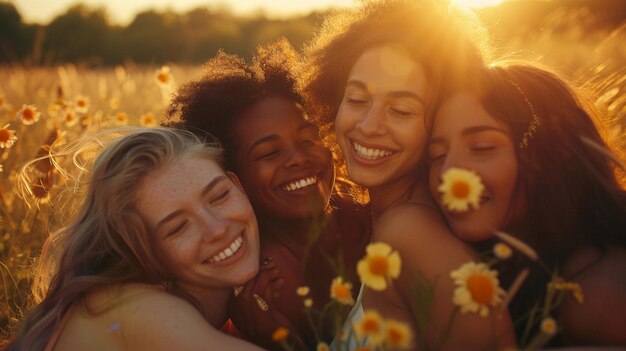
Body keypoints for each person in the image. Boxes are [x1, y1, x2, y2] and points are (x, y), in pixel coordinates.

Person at [304, 0, 516, 349]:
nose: (369, 126)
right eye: (357, 99)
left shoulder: (410, 232)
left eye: (401, 110)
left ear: (440, 123)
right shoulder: (391, 221)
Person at [165, 40, 371, 349]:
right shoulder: (267, 282)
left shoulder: (365, 208)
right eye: (269, 153)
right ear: (231, 177)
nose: (299, 158)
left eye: (307, 138)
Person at [3, 127, 266, 351]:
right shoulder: (137, 310)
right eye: (177, 228)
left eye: (220, 196)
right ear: (144, 251)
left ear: (237, 186)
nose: (217, 228)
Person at [427, 62, 626, 347]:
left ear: (548, 154)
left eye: (482, 147)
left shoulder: (598, 296)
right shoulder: (504, 267)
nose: (448, 172)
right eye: (436, 155)